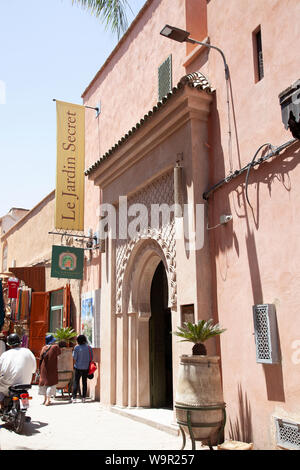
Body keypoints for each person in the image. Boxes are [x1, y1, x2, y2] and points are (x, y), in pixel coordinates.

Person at [0, 333, 36, 403]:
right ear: (20, 343)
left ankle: (2, 404)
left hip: (9, 384)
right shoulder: (28, 352)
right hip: (25, 384)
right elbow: (33, 370)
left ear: (9, 345)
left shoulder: (5, 354)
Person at [38, 334, 62, 406]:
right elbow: (59, 353)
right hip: (52, 368)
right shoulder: (55, 347)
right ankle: (48, 400)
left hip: (43, 368)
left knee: (44, 383)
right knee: (51, 383)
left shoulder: (43, 348)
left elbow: (40, 358)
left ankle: (44, 399)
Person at [71, 334, 92, 403]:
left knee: (76, 382)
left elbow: (74, 357)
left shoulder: (76, 348)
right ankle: (84, 398)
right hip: (86, 367)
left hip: (78, 367)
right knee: (84, 382)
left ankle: (74, 398)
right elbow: (91, 357)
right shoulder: (89, 348)